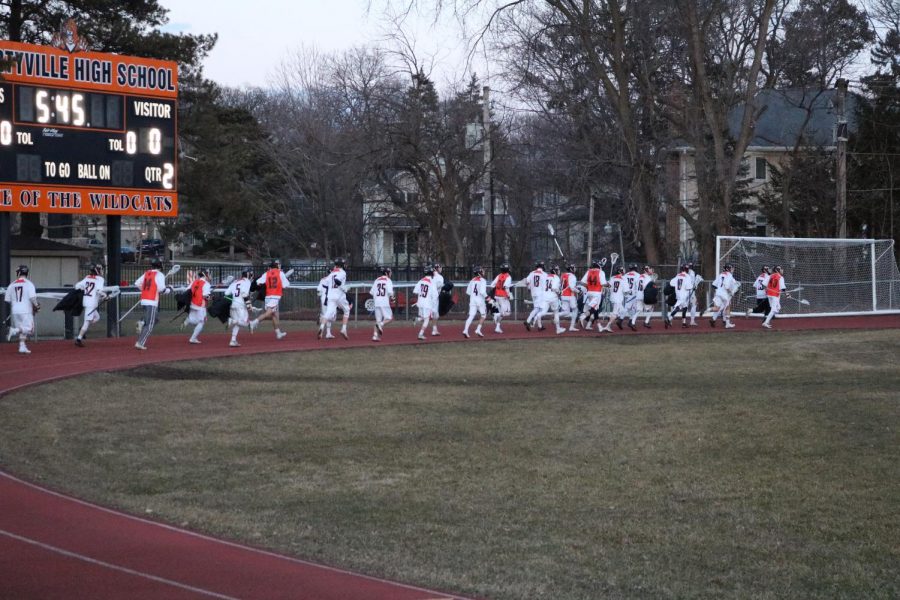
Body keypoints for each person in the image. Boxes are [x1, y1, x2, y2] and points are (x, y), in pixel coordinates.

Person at [133, 259, 169, 350]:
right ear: (160, 265)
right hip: (151, 301)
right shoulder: (160, 274)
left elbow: (137, 283)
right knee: (151, 324)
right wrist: (168, 290)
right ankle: (140, 342)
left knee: (155, 319)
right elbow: (161, 289)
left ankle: (142, 322)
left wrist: (145, 290)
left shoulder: (147, 273)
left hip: (144, 300)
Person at [4, 265, 39, 354]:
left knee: (22, 329)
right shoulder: (29, 284)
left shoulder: (12, 284)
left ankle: (22, 346)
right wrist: (36, 305)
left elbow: (7, 300)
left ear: (18, 273)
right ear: (26, 273)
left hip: (15, 310)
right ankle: (13, 330)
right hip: (26, 310)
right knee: (30, 329)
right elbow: (32, 297)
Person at [252, 259, 289, 340]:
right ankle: (254, 322)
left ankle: (278, 333)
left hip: (268, 296)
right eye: (278, 265)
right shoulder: (280, 273)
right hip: (275, 297)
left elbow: (258, 282)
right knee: (269, 313)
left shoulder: (267, 273)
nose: (279, 266)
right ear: (276, 266)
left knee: (274, 315)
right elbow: (286, 285)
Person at [74, 263, 107, 347]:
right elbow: (99, 290)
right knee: (87, 322)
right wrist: (104, 295)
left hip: (87, 301)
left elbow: (77, 286)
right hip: (91, 303)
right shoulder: (100, 279)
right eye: (100, 269)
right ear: (97, 270)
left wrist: (84, 289)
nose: (101, 271)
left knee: (97, 317)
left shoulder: (87, 277)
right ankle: (79, 338)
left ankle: (83, 329)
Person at [226, 268, 256, 347]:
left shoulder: (235, 281)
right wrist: (249, 306)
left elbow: (226, 293)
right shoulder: (247, 281)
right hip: (240, 306)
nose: (252, 275)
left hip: (233, 305)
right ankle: (232, 321)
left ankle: (233, 340)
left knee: (238, 324)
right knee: (245, 323)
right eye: (251, 273)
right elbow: (244, 294)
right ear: (248, 274)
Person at [183, 268, 211, 344]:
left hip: (192, 304)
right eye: (208, 273)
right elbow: (205, 296)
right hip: (200, 305)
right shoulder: (206, 284)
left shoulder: (194, 282)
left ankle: (188, 320)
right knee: (202, 321)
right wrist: (211, 297)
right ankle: (193, 338)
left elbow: (187, 291)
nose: (209, 275)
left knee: (195, 320)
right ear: (205, 274)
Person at [579, 260, 607, 331]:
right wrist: (608, 285)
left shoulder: (589, 271)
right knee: (593, 309)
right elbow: (603, 283)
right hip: (597, 293)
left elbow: (582, 282)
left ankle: (598, 326)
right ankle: (583, 316)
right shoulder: (601, 272)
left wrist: (588, 286)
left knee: (595, 310)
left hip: (589, 293)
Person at [369, 267, 395, 342]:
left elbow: (371, 292)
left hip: (376, 302)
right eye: (390, 272)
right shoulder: (388, 280)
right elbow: (390, 292)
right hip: (384, 302)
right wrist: (393, 299)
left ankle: (375, 336)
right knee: (390, 318)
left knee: (378, 320)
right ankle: (381, 325)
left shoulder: (377, 280)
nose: (391, 274)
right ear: (386, 273)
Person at [709, 264, 738, 328]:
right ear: (728, 268)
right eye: (732, 268)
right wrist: (731, 292)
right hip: (725, 294)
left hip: (718, 293)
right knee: (727, 307)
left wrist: (719, 290)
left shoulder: (721, 274)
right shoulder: (729, 275)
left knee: (718, 308)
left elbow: (714, 285)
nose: (733, 269)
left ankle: (708, 310)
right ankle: (727, 323)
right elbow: (727, 286)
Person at [463, 266, 488, 338]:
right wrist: (488, 298)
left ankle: (465, 330)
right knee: (483, 315)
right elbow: (483, 292)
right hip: (480, 301)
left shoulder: (472, 280)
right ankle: (478, 330)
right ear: (479, 272)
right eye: (482, 270)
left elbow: (468, 292)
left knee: (471, 316)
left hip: (472, 300)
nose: (483, 272)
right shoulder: (483, 280)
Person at [522, 261, 547, 331]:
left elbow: (526, 281)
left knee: (539, 309)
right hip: (541, 293)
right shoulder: (544, 274)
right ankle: (528, 321)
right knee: (538, 309)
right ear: (542, 266)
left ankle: (539, 326)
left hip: (533, 293)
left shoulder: (532, 273)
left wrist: (529, 288)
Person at [489, 263, 513, 333]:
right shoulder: (508, 276)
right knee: (507, 313)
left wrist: (498, 289)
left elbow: (492, 285)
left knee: (502, 312)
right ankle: (496, 315)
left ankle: (497, 327)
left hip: (497, 296)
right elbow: (506, 287)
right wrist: (509, 295)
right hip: (503, 297)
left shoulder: (499, 275)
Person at [413, 267, 435, 340]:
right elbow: (435, 295)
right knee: (427, 319)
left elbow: (415, 291)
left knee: (423, 317)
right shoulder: (431, 282)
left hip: (420, 302)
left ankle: (417, 319)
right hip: (427, 303)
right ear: (431, 273)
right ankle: (420, 334)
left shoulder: (421, 281)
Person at [560, 264, 579, 331]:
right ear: (571, 269)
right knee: (575, 310)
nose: (575, 269)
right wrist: (578, 291)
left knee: (566, 312)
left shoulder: (563, 275)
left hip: (563, 295)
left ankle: (556, 316)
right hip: (570, 296)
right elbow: (571, 287)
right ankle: (571, 327)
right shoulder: (572, 276)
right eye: (574, 268)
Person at [622, 264, 641, 331]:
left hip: (626, 293)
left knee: (630, 308)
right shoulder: (638, 275)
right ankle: (621, 319)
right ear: (635, 268)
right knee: (632, 308)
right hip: (634, 294)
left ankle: (630, 321)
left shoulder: (625, 275)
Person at [429, 263, 445, 336]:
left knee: (435, 314)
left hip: (429, 297)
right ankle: (417, 319)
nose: (441, 269)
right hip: (434, 297)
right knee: (434, 314)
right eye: (440, 268)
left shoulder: (430, 276)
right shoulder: (439, 277)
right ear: (437, 268)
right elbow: (439, 286)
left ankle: (434, 330)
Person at [686, 262, 701, 326]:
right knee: (694, 305)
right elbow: (692, 282)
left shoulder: (684, 273)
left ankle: (670, 318)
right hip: (690, 291)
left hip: (684, 291)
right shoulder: (692, 272)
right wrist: (697, 281)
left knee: (682, 306)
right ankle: (692, 321)